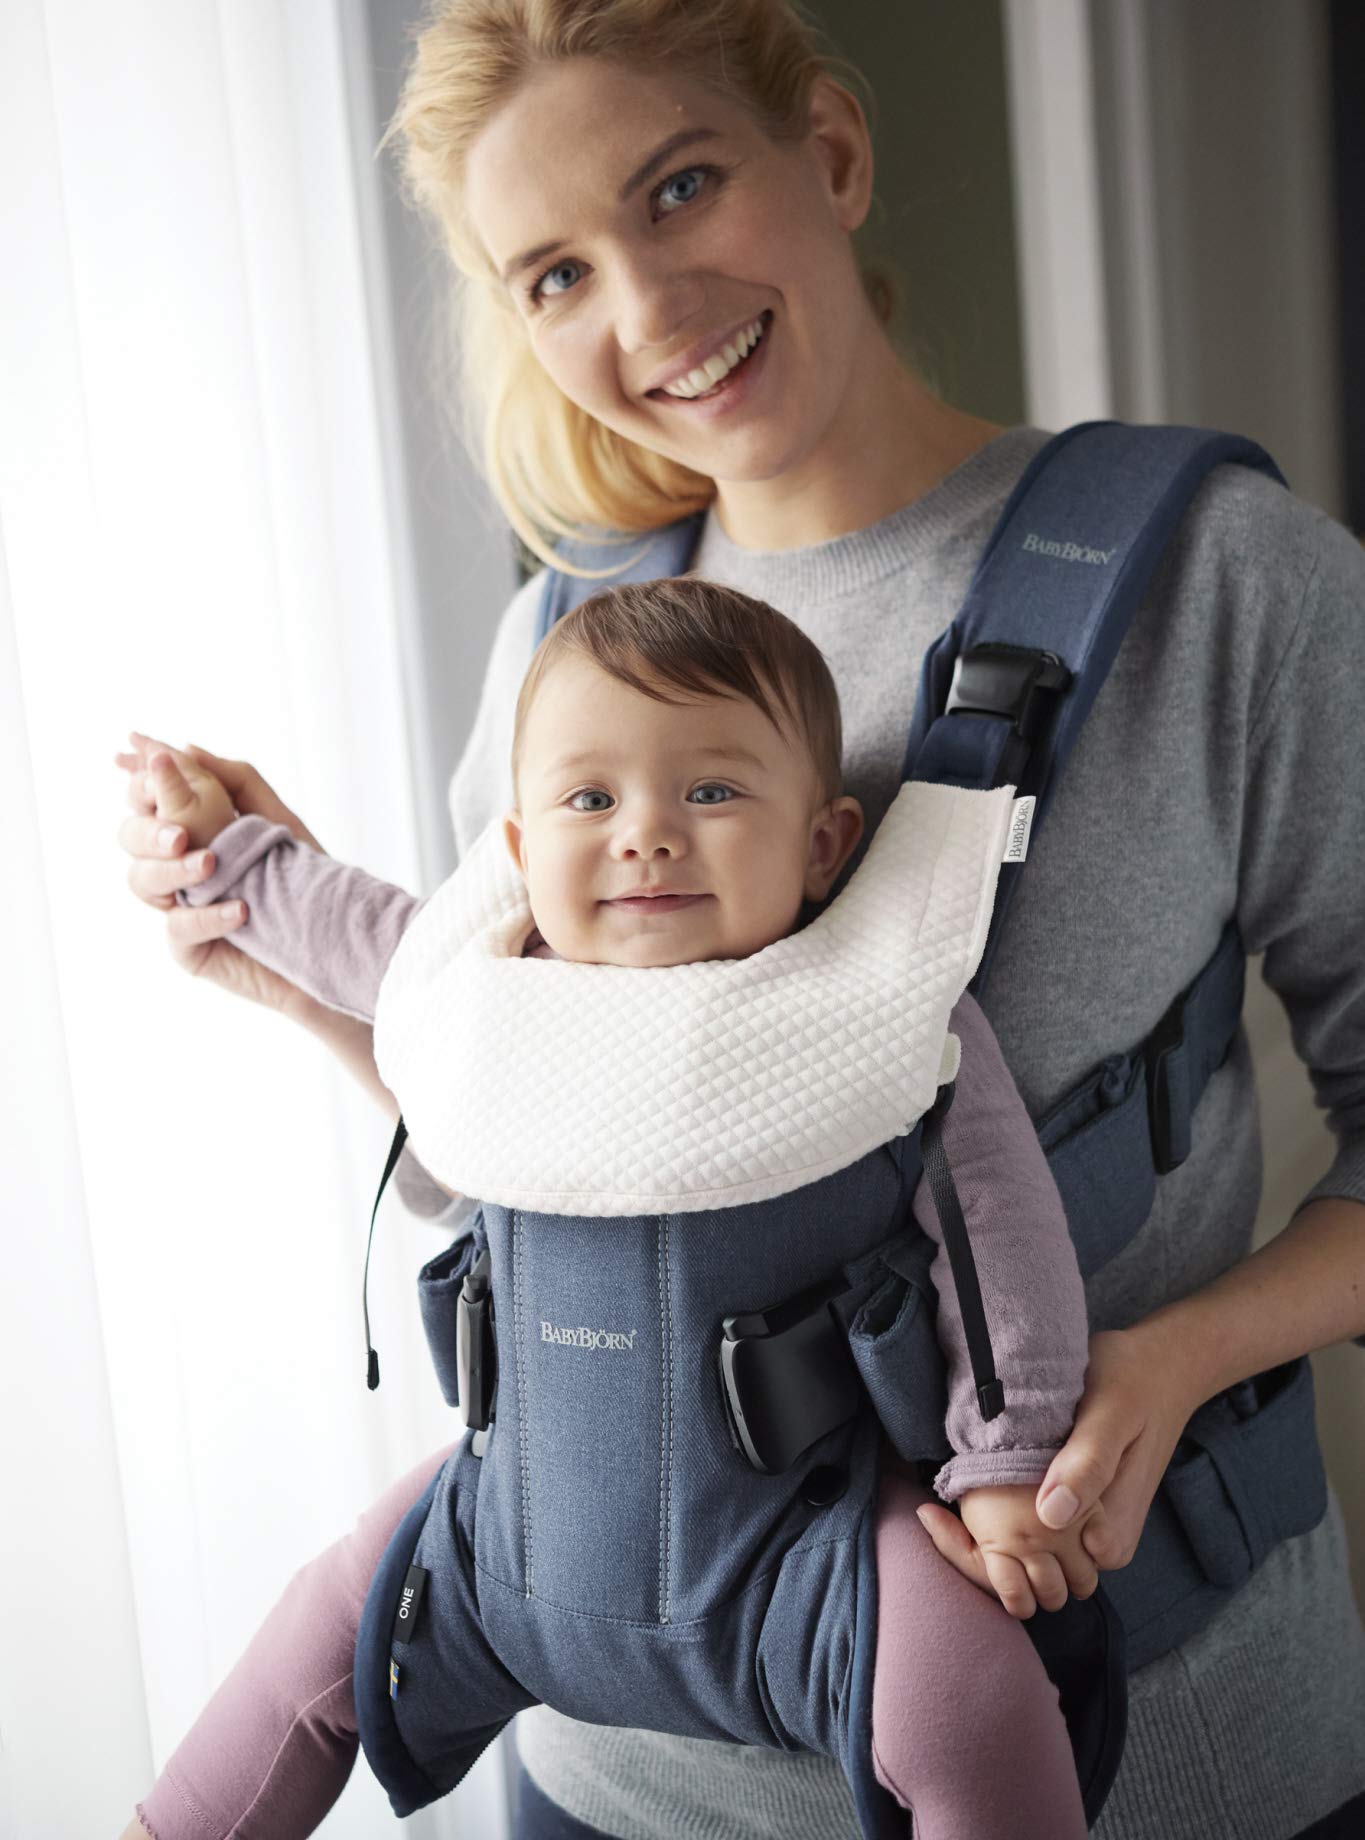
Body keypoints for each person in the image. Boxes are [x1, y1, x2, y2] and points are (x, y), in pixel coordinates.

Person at [115, 0, 1365, 1840]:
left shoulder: (1227, 586)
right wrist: (300, 961)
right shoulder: (560, 644)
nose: (644, 309)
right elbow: (525, 1151)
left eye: (682, 187)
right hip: (612, 1776)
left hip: (1156, 1753)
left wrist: (1160, 1364)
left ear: (833, 151)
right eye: (554, 273)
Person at [119, 576, 1105, 1840]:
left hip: (803, 1543)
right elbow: (348, 927)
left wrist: (1009, 1459)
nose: (647, 834)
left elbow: (1001, 1239)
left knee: (974, 1703)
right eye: (590, 799)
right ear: (521, 850)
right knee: (313, 1632)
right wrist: (227, 855)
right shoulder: (491, 990)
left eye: (712, 790)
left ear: (824, 844)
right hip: (508, 1515)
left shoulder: (877, 1004)